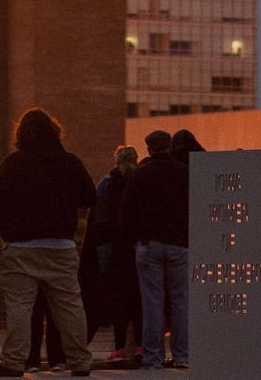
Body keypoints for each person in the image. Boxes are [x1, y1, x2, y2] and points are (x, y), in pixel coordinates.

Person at [0, 107, 95, 378]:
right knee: (69, 306)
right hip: (61, 246)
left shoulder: (14, 163)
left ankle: (14, 361)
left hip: (22, 248)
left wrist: (9, 229)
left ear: (22, 134)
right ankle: (80, 361)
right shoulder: (70, 163)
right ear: (54, 132)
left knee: (20, 306)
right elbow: (89, 197)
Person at [120, 129, 188, 371]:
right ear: (169, 146)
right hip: (180, 245)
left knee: (152, 303)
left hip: (149, 245)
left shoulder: (140, 175)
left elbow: (126, 213)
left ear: (149, 149)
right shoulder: (185, 173)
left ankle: (153, 357)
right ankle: (182, 356)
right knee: (180, 301)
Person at [85, 145, 141, 367]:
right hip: (136, 247)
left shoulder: (106, 184)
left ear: (115, 161)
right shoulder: (139, 182)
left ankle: (118, 349)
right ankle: (140, 347)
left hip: (112, 250)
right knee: (138, 301)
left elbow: (97, 220)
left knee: (117, 300)